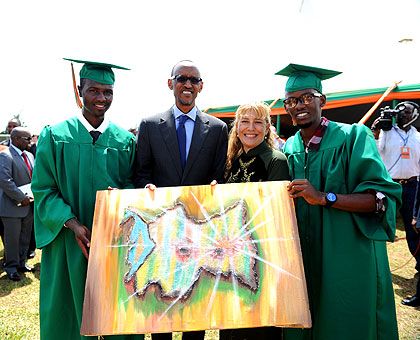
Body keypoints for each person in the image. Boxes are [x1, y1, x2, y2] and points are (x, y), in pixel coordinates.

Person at [278, 64, 402, 340]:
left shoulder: (353, 138)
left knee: (344, 323)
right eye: (291, 101)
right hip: (303, 257)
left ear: (323, 100)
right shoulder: (289, 149)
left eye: (307, 97)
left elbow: (380, 200)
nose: (299, 105)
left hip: (345, 257)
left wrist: (324, 198)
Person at [31, 58, 143, 340]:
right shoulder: (55, 136)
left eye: (108, 92)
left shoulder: (124, 141)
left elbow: (130, 183)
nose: (101, 98)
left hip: (113, 240)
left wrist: (123, 200)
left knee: (117, 307)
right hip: (68, 240)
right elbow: (43, 189)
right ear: (80, 90)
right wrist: (72, 223)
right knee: (67, 310)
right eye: (94, 90)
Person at [133, 60, 228, 340]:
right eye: (182, 78)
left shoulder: (218, 128)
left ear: (201, 86)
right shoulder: (149, 126)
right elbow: (140, 173)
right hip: (162, 232)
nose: (188, 84)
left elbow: (218, 176)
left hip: (198, 233)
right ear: (170, 83)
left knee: (193, 311)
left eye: (193, 80)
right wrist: (147, 186)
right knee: (161, 308)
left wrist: (215, 187)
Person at [220, 101, 289, 339]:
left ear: (268, 128)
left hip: (262, 259)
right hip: (230, 258)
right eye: (245, 122)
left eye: (258, 122)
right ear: (236, 127)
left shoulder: (276, 160)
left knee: (259, 327)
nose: (251, 128)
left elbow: (275, 216)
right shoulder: (230, 162)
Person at [371, 101, 420, 307]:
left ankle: (418, 260)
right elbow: (372, 149)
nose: (400, 114)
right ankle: (374, 263)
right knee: (380, 222)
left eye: (405, 111)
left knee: (413, 227)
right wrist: (375, 129)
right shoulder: (386, 131)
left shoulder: (418, 136)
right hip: (389, 186)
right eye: (398, 110)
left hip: (411, 186)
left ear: (414, 115)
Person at [0, 127, 34, 281]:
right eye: (28, 138)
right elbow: (5, 181)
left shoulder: (29, 155)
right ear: (16, 139)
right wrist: (21, 198)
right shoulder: (5, 156)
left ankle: (21, 263)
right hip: (12, 206)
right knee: (12, 239)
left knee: (25, 237)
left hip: (29, 205)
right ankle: (11, 267)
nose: (31, 141)